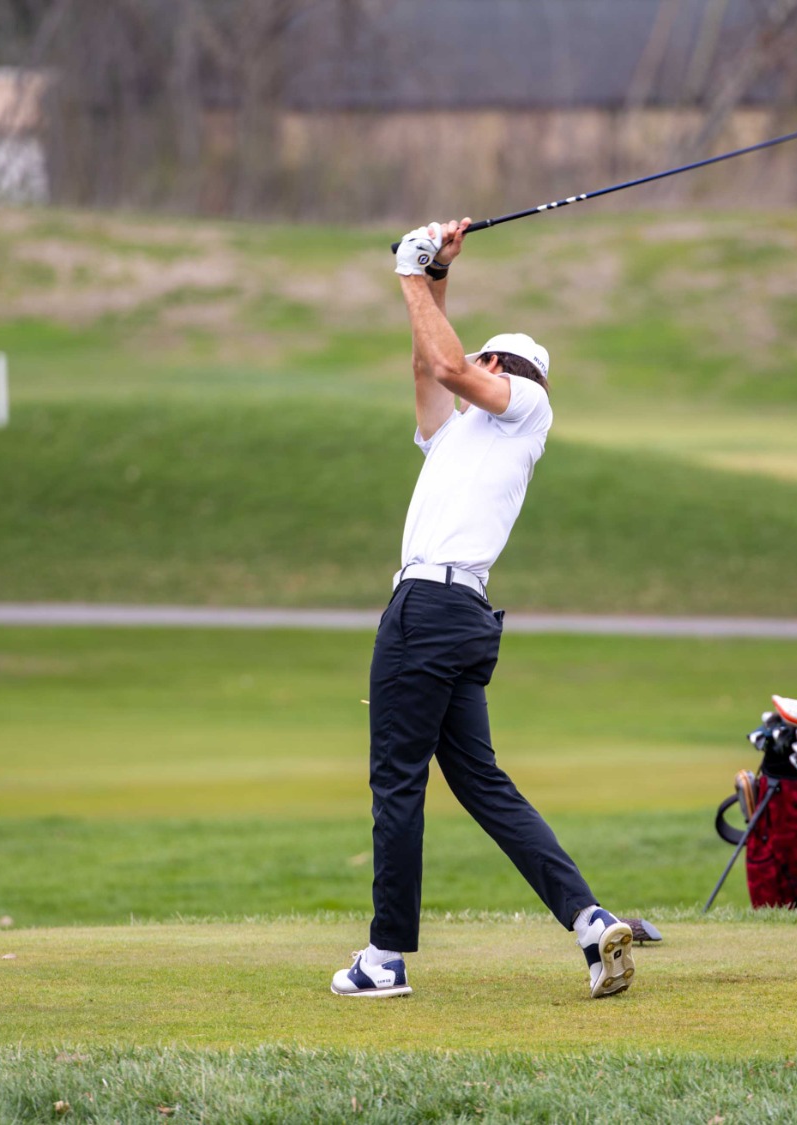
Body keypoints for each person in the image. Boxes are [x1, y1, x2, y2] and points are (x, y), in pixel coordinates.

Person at [329, 219, 635, 1001]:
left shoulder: (524, 403)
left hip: (427, 610)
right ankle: (591, 920)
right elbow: (426, 365)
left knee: (397, 781)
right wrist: (434, 276)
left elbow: (447, 362)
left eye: (481, 362)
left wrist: (404, 274)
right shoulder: (459, 437)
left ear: (499, 365)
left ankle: (384, 959)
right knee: (483, 784)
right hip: (460, 618)